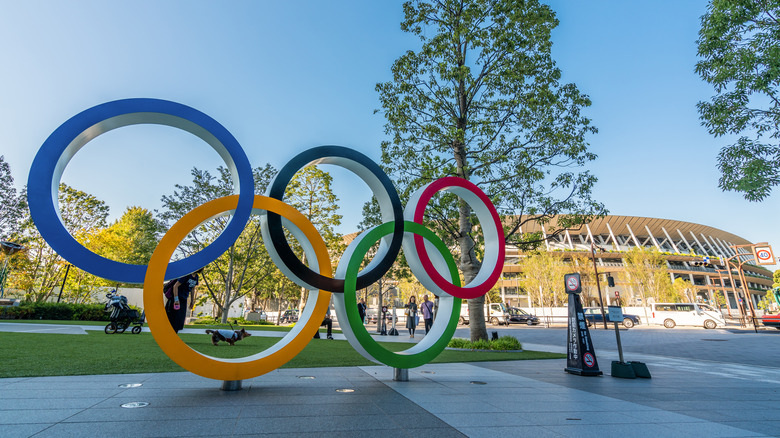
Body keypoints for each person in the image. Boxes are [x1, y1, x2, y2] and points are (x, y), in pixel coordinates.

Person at [166, 267, 203, 333]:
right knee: (173, 318)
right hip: (176, 299)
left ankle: (174, 335)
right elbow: (175, 286)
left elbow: (192, 289)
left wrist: (192, 301)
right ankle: (169, 335)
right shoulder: (187, 275)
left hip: (184, 299)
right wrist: (176, 300)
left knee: (180, 319)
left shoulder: (196, 277)